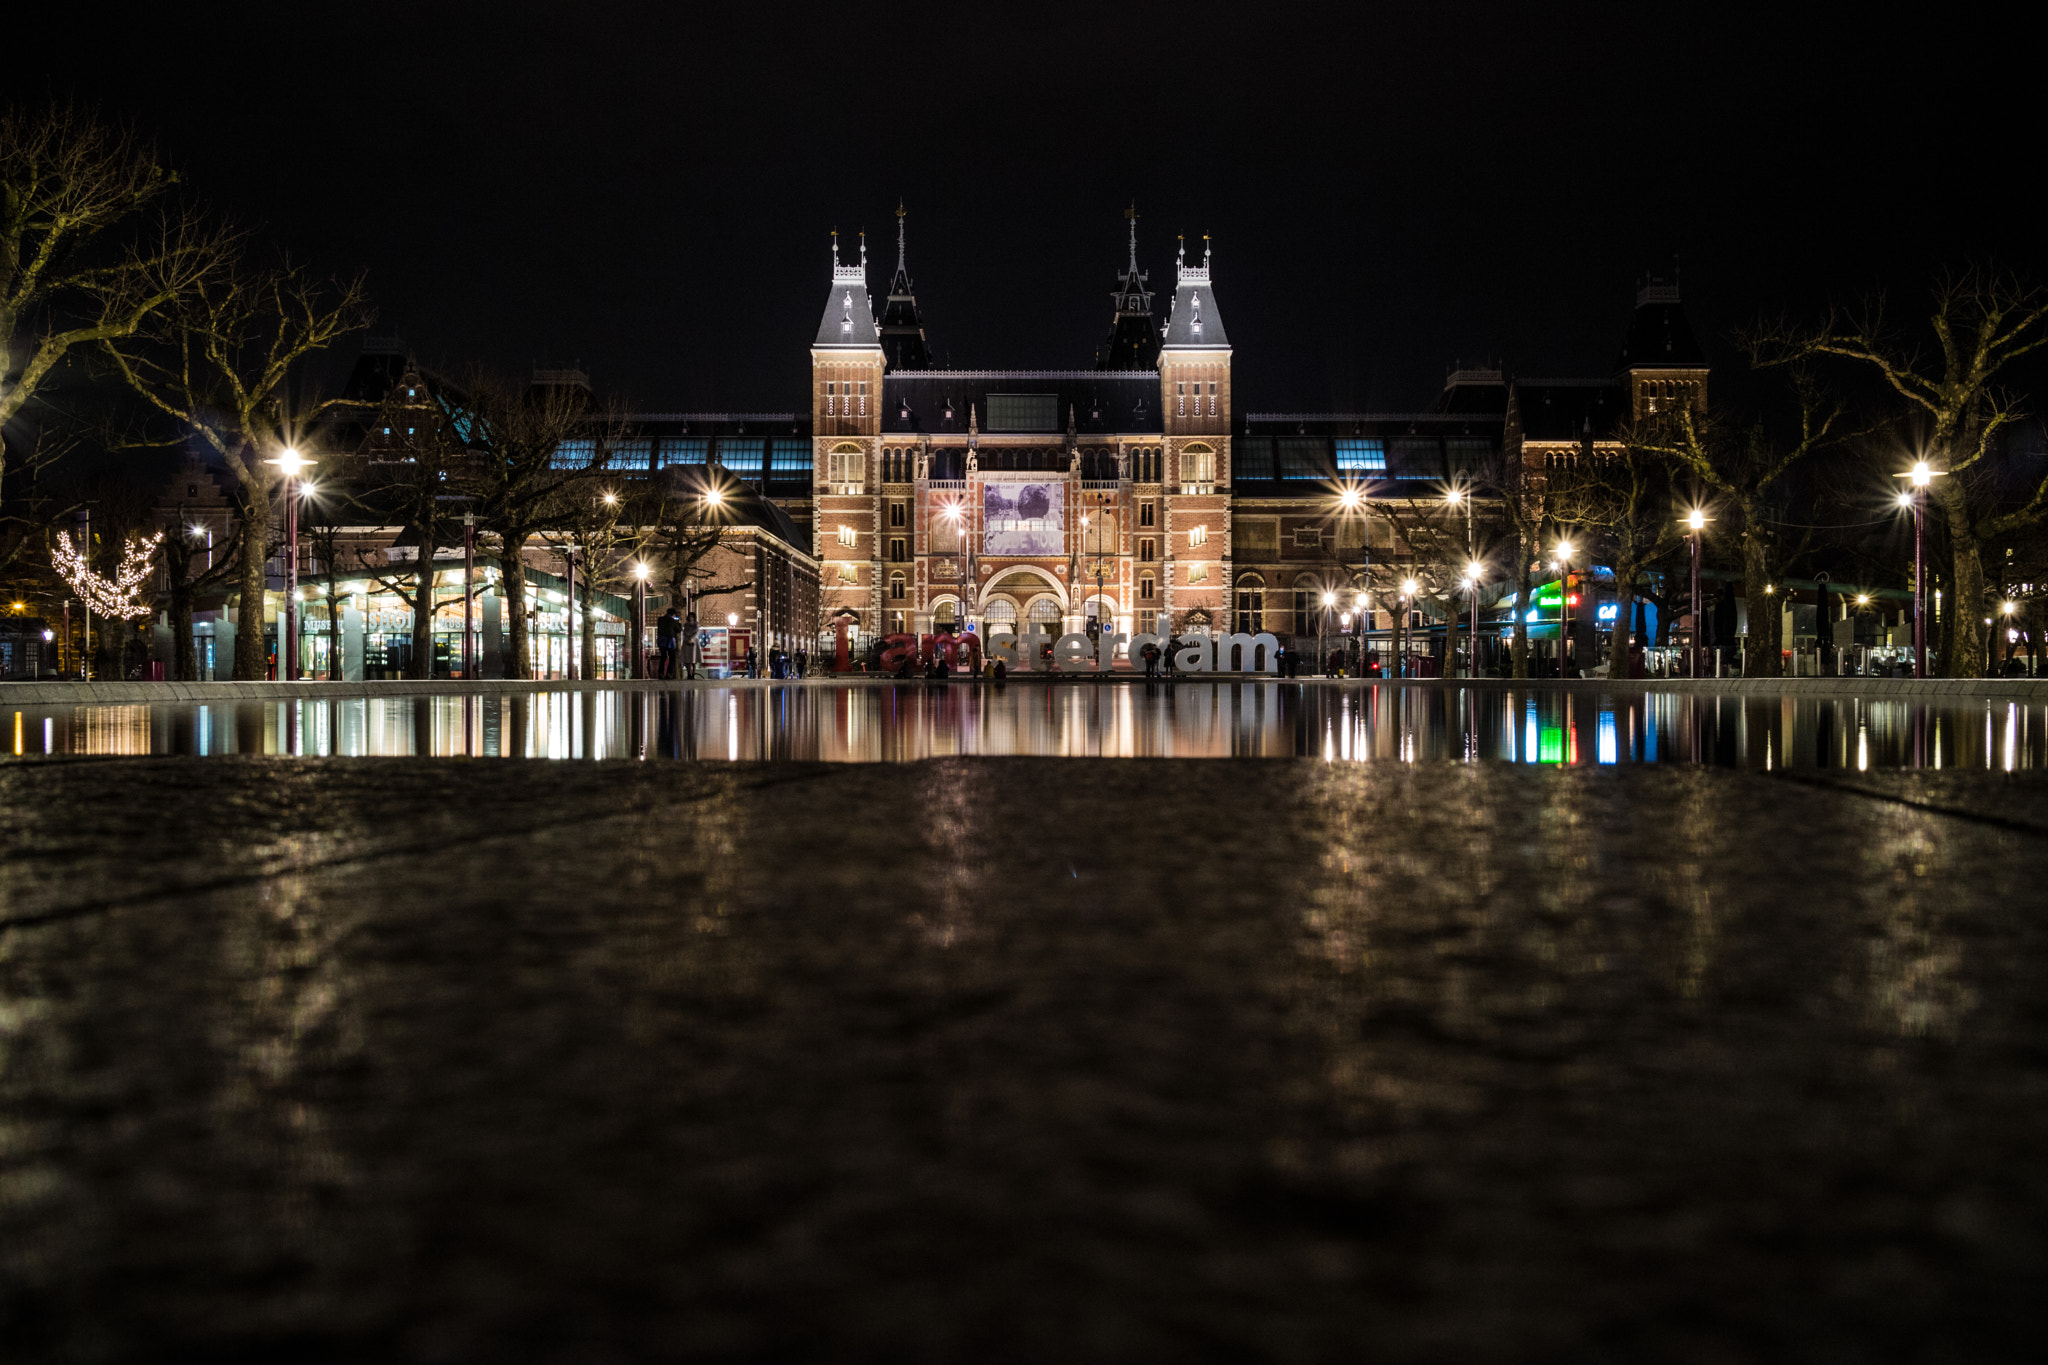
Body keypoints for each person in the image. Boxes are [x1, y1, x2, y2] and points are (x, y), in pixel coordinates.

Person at [656, 606, 682, 679]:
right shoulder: (673, 621)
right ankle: (669, 674)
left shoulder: (660, 619)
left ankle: (660, 673)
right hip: (670, 641)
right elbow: (678, 630)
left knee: (663, 657)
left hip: (661, 640)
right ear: (673, 614)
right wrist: (679, 623)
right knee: (672, 658)